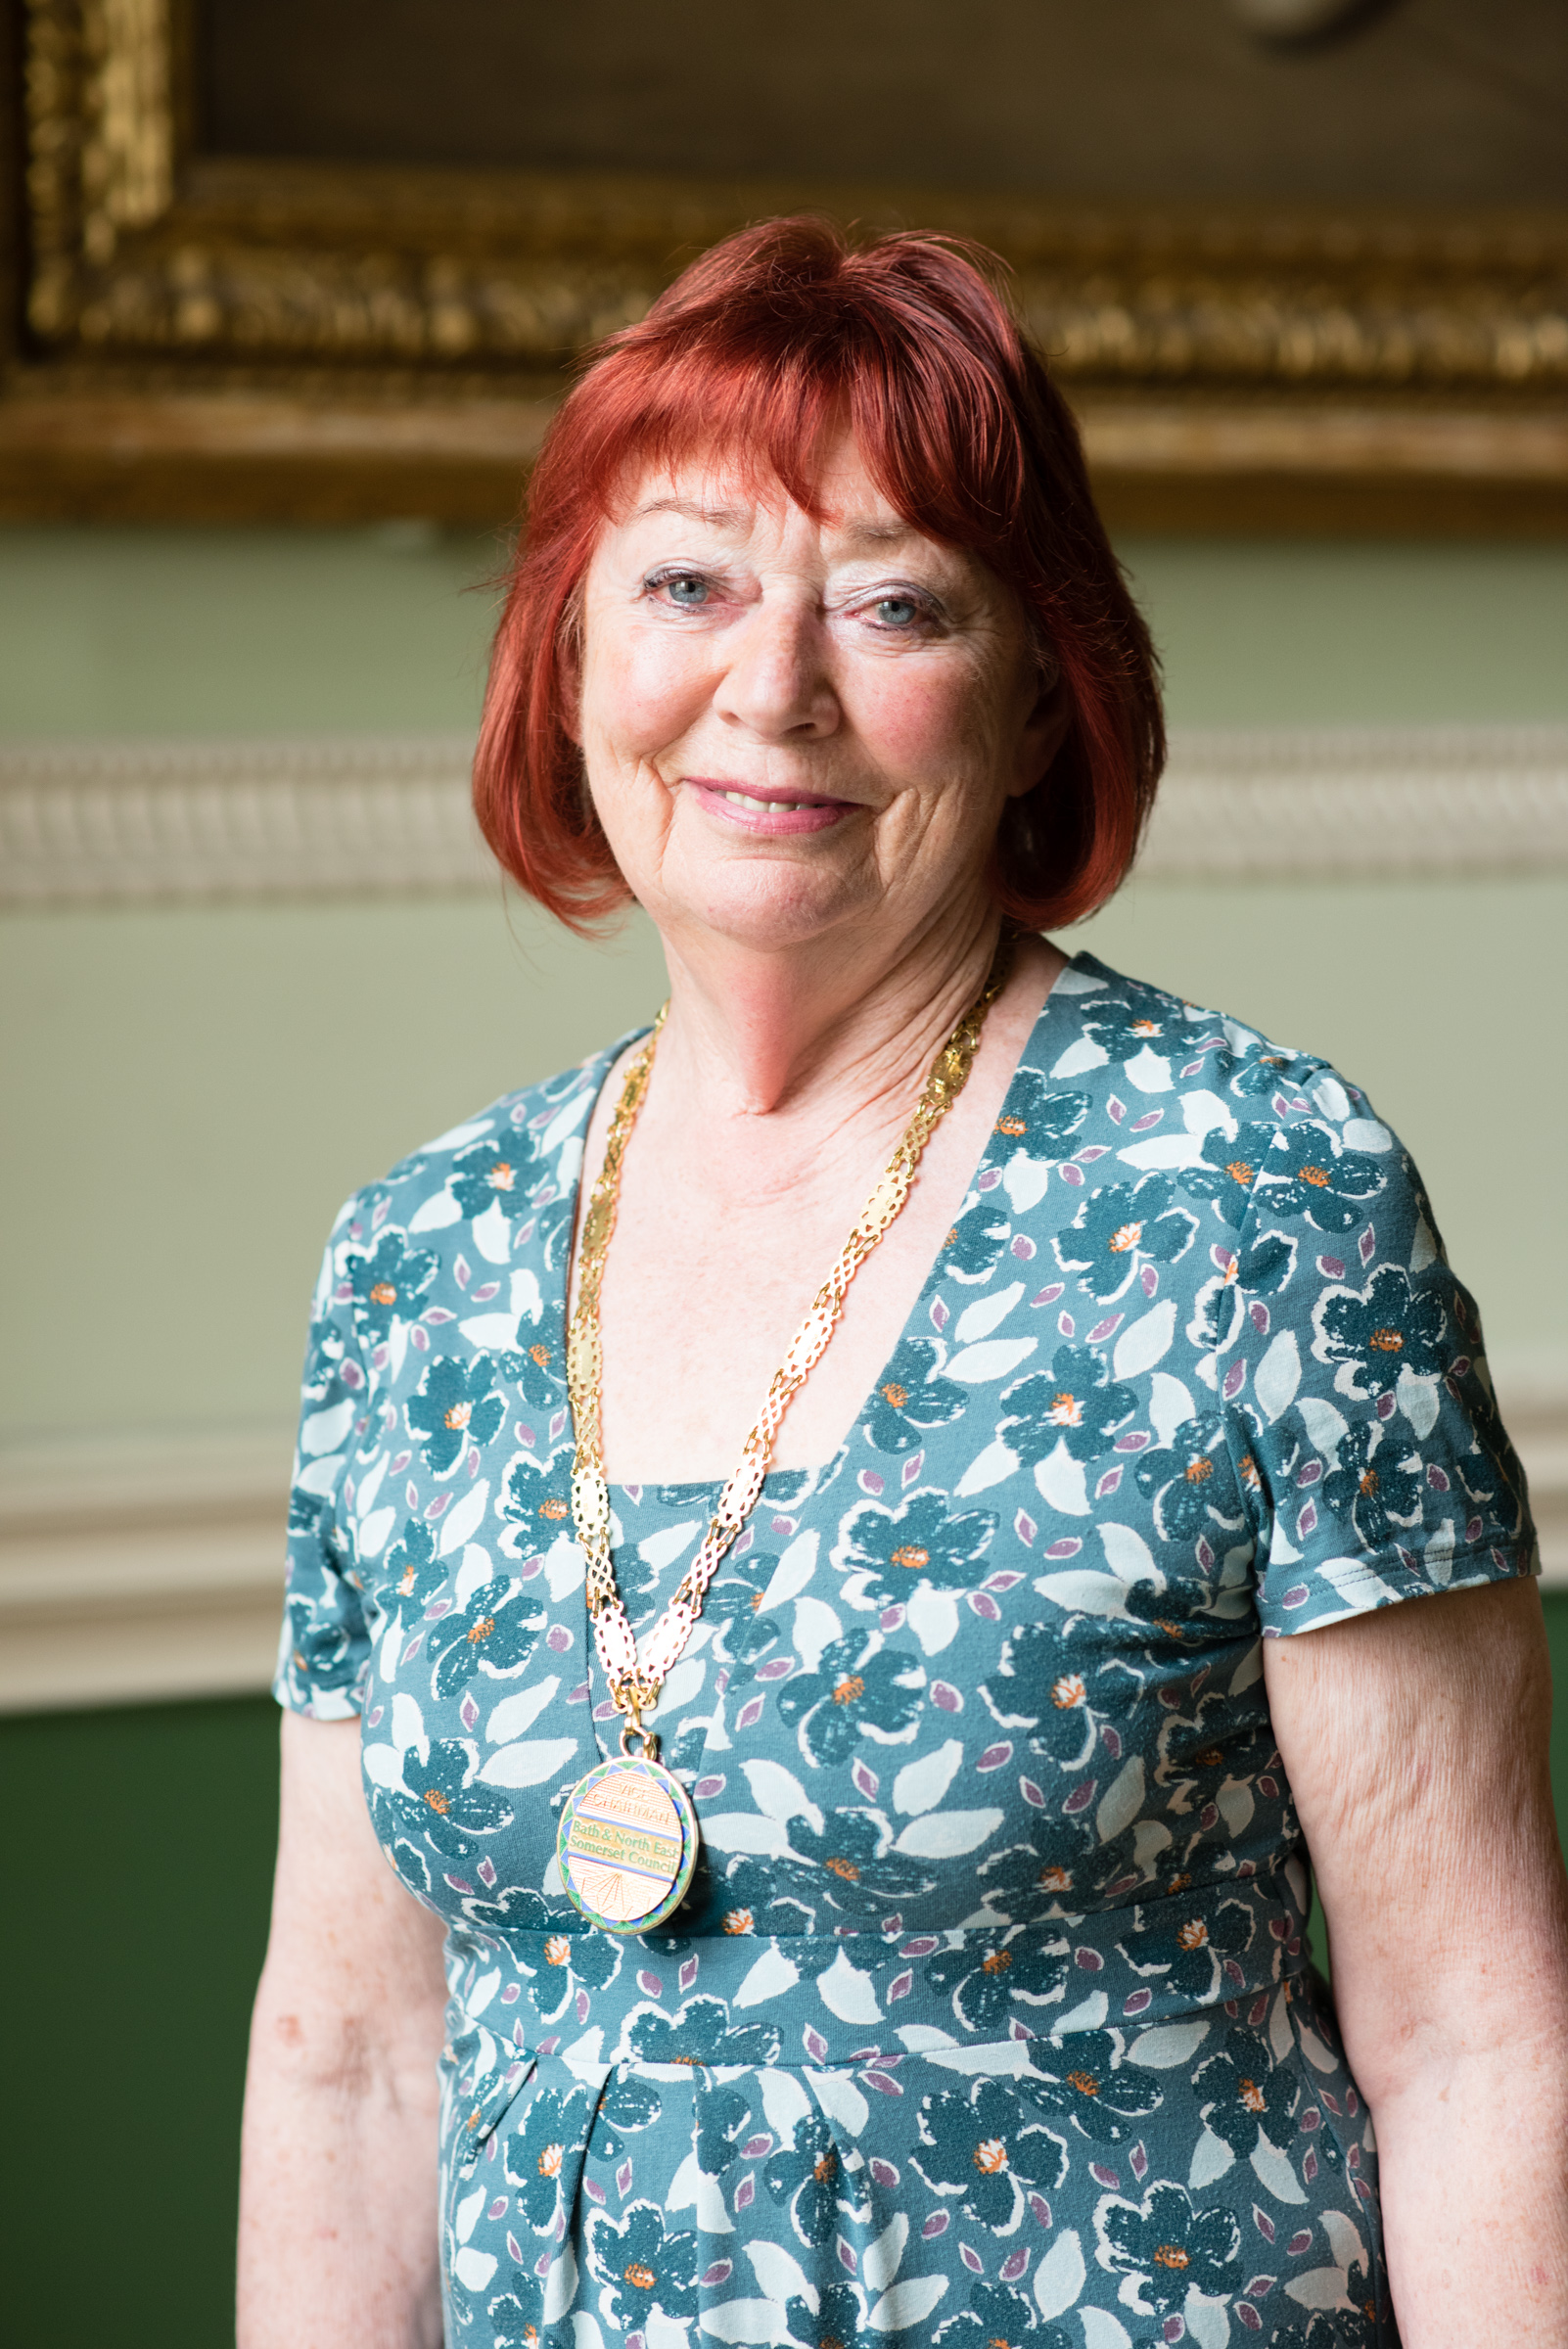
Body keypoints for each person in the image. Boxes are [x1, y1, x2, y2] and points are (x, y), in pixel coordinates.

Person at [238, 220, 1567, 2349]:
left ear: (1044, 695)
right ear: (567, 654)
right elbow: (355, 2058)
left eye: (890, 600)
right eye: (686, 583)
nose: (771, 686)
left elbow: (1482, 2044)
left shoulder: (1254, 1199)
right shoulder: (417, 1259)